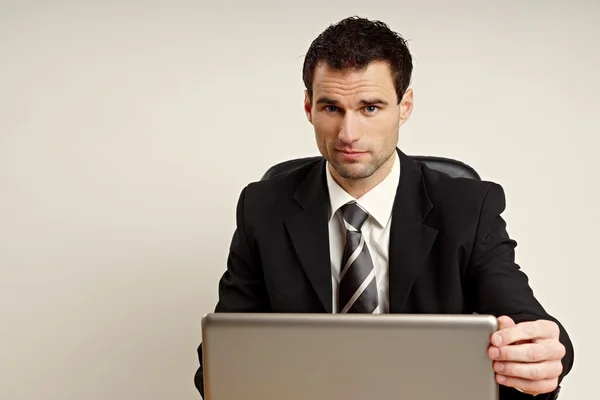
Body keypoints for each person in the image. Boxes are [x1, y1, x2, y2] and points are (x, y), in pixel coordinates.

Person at [194, 16, 574, 399]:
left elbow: (529, 323)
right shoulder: (262, 209)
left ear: (404, 106)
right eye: (331, 108)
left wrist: (545, 356)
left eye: (370, 108)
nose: (348, 134)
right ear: (308, 107)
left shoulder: (468, 209)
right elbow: (219, 358)